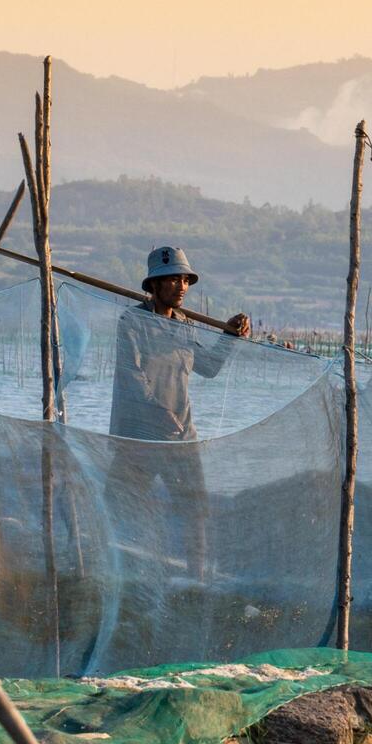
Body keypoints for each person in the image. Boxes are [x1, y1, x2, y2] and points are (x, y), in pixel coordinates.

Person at [106, 246, 249, 579]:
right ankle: (111, 571)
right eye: (171, 280)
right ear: (153, 287)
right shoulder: (131, 323)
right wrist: (156, 412)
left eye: (184, 280)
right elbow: (131, 375)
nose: (181, 287)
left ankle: (196, 578)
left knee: (194, 508)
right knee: (118, 503)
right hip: (138, 435)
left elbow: (209, 367)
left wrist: (229, 337)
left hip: (180, 435)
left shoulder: (184, 326)